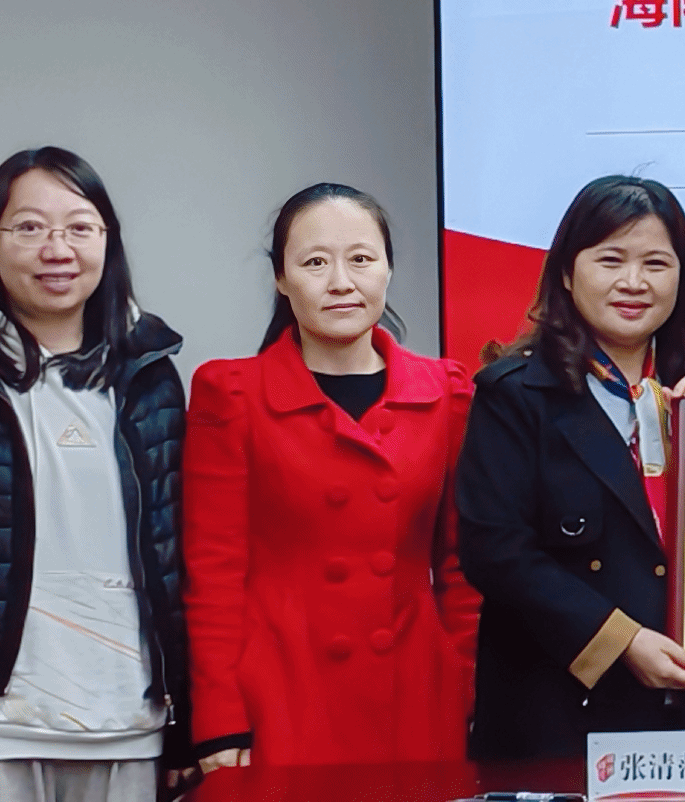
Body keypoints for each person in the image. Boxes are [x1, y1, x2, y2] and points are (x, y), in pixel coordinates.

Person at [0, 148, 191, 802]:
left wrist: (186, 716)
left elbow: (177, 559)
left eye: (80, 227)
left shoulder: (151, 377)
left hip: (128, 729)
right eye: (29, 227)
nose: (57, 249)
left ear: (108, 241)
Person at [455, 176, 685, 758]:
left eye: (656, 263)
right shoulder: (514, 394)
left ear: (683, 279)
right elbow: (495, 552)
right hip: (562, 714)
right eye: (611, 260)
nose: (634, 282)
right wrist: (622, 640)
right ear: (566, 273)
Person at [182, 183, 479, 768]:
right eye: (315, 263)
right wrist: (218, 720)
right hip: (281, 696)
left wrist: (467, 686)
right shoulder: (232, 393)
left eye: (361, 259)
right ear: (280, 277)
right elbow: (213, 572)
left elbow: (461, 567)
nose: (341, 282)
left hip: (416, 694)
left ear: (389, 268)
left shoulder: (446, 392)